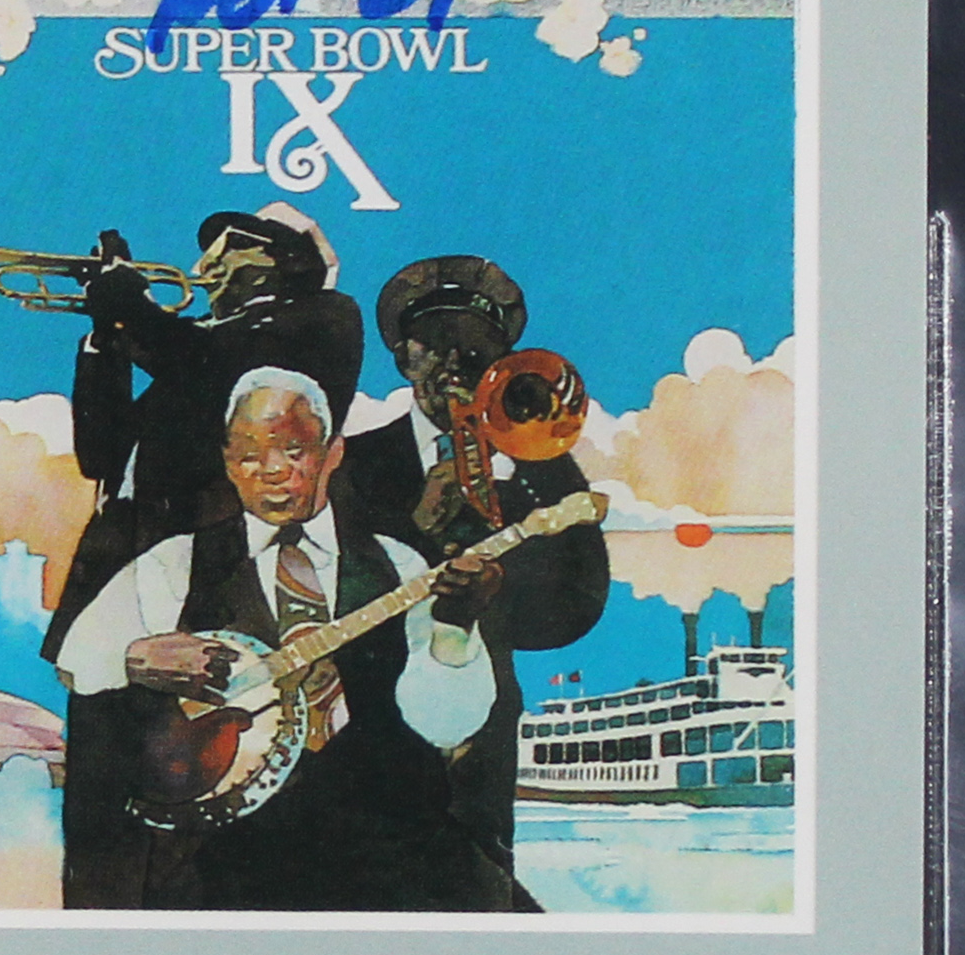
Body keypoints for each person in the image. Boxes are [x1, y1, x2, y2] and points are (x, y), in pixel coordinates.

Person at [53, 369, 502, 914]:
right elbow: (76, 661)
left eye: (294, 450)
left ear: (333, 453)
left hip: (384, 857)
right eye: (248, 455)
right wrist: (135, 657)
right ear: (226, 463)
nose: (271, 471)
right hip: (224, 866)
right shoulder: (175, 564)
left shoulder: (400, 564)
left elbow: (448, 725)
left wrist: (454, 628)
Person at [44, 207, 363, 907]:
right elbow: (100, 450)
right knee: (102, 777)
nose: (203, 270)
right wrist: (103, 338)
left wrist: (129, 305)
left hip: (211, 578)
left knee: (195, 784)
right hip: (121, 578)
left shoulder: (315, 323)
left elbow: (213, 369)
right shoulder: (195, 350)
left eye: (226, 255)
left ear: (283, 261)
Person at [341, 255, 611, 909]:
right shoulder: (354, 464)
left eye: (475, 350)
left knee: (481, 891)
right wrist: (415, 530)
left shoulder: (541, 463)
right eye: (435, 346)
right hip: (372, 724)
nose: (454, 365)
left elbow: (578, 603)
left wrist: (498, 592)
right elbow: (329, 593)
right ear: (403, 358)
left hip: (482, 735)